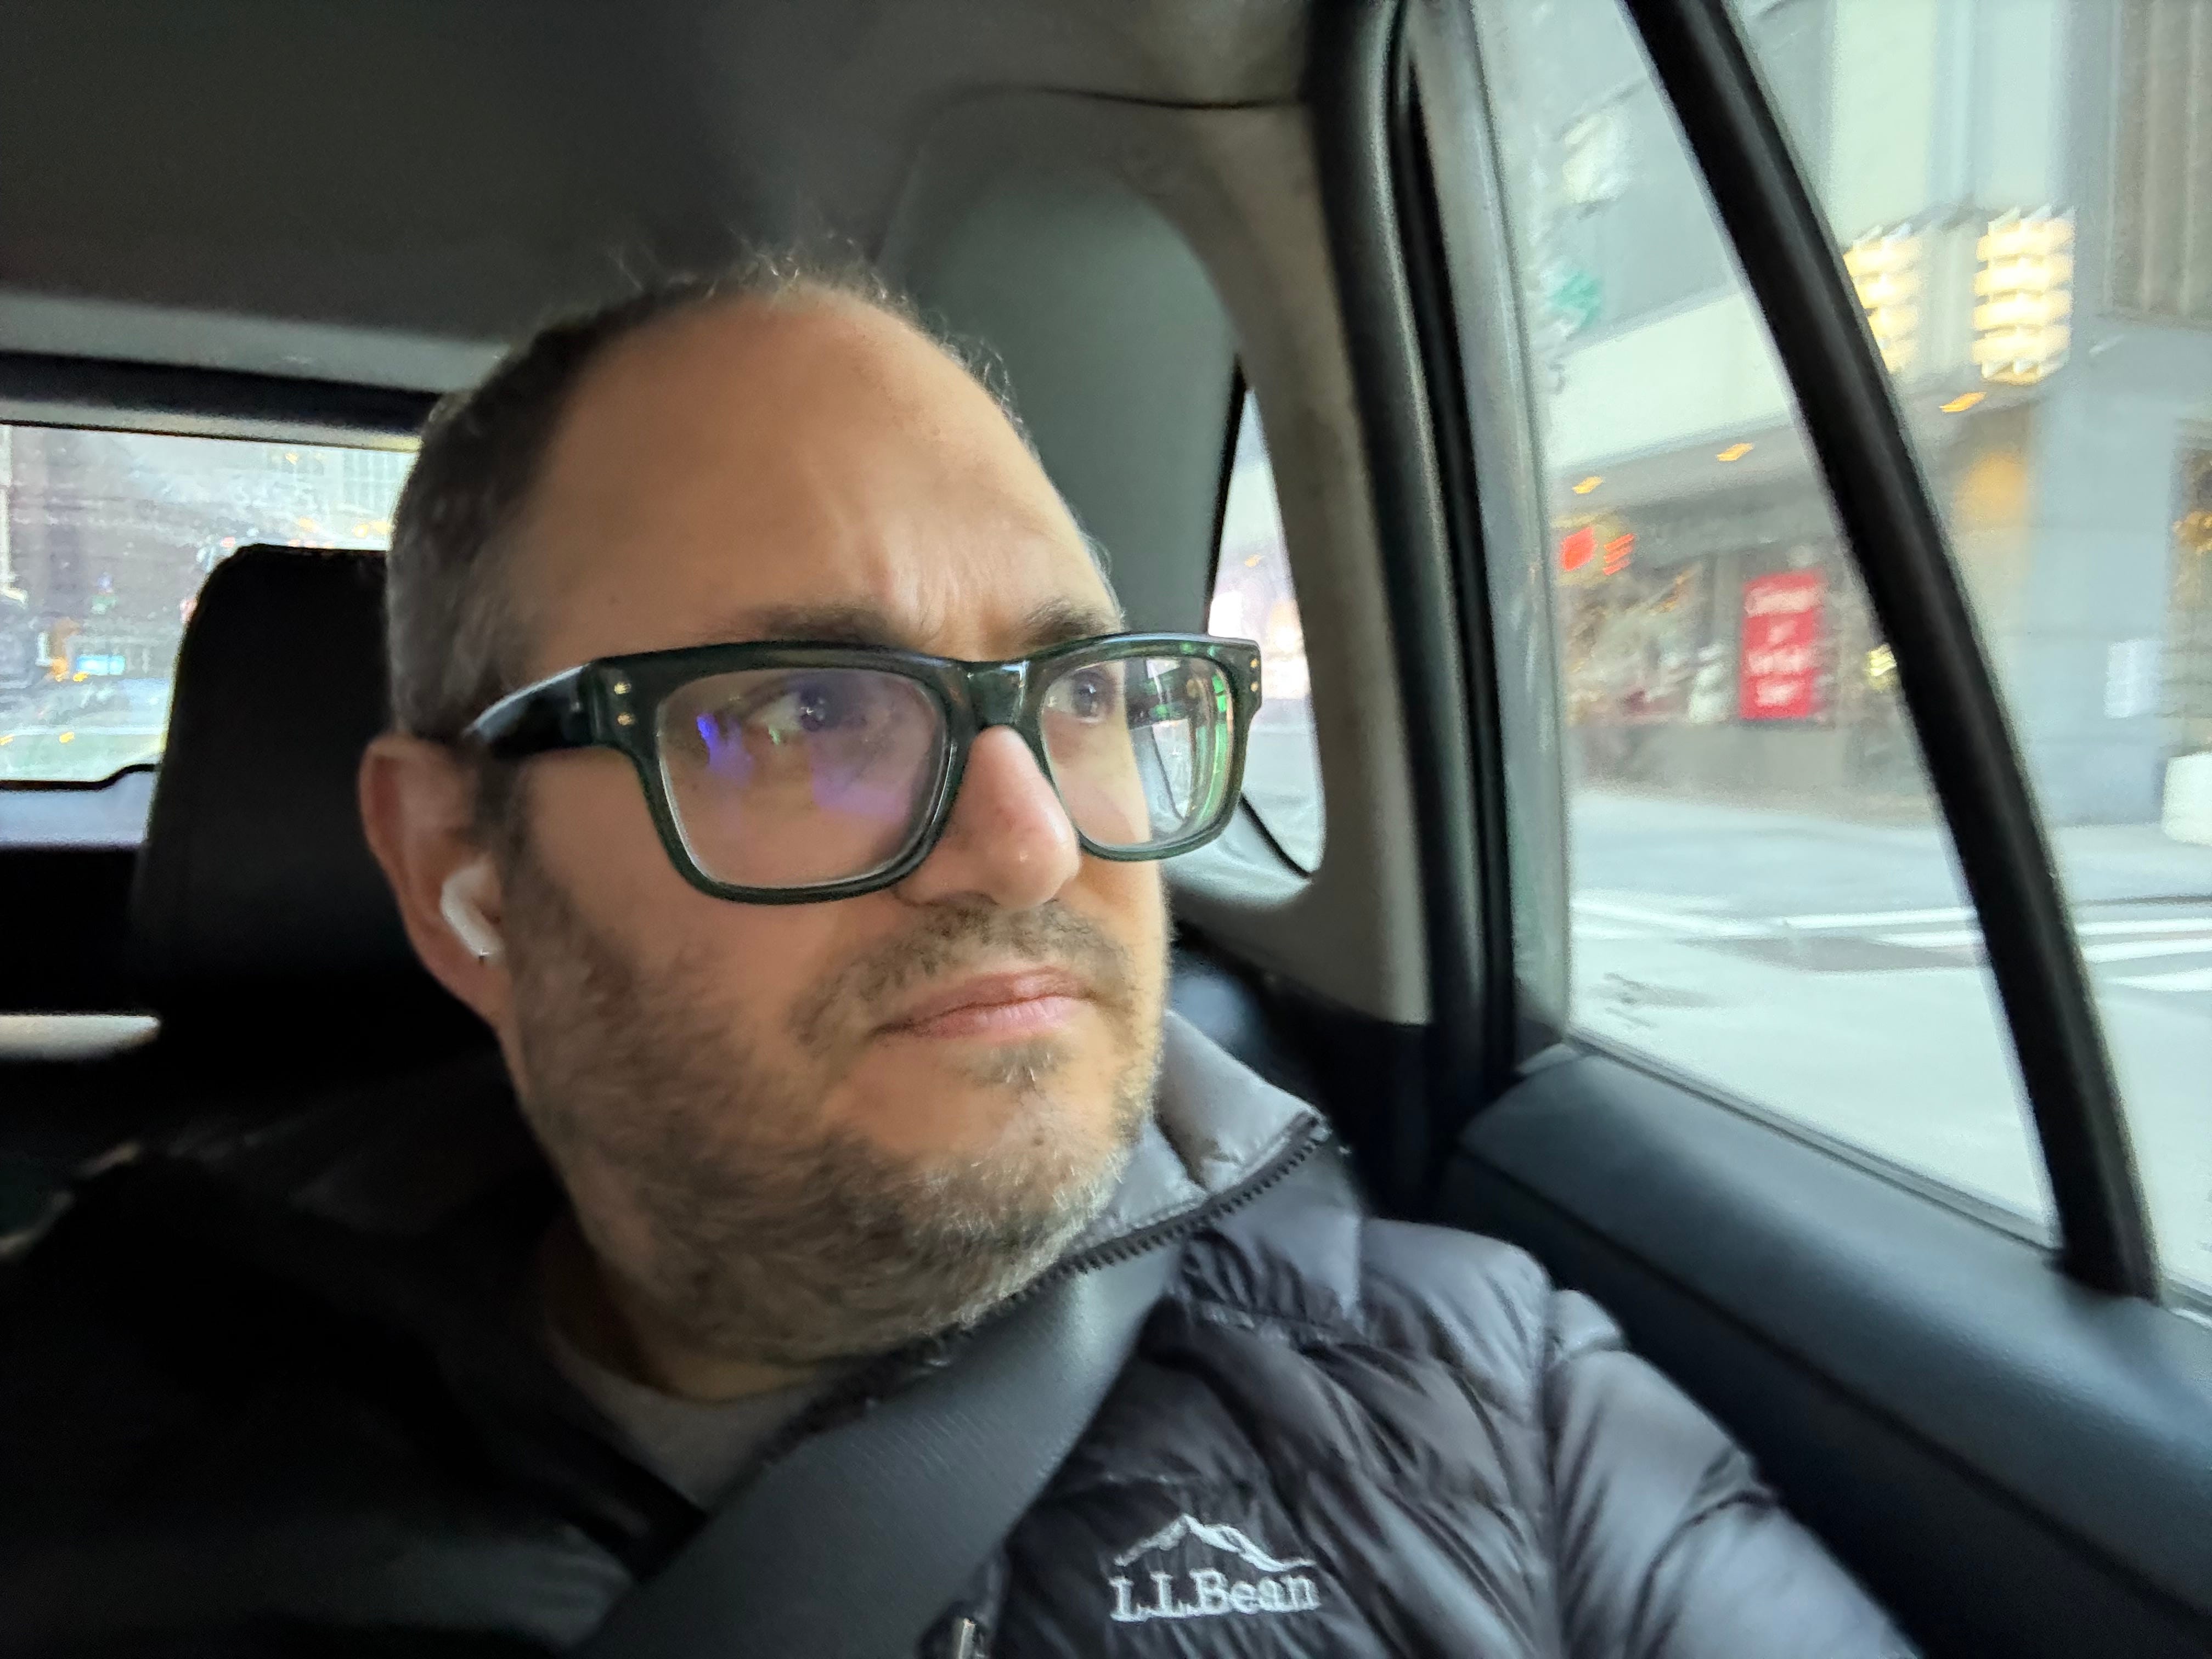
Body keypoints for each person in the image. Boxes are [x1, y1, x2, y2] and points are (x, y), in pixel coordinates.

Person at [0, 261, 1912, 1657]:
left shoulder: (1489, 1396)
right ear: (459, 873)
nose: (1032, 842)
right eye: (800, 713)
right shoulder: (83, 1451)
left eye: (1079, 692)